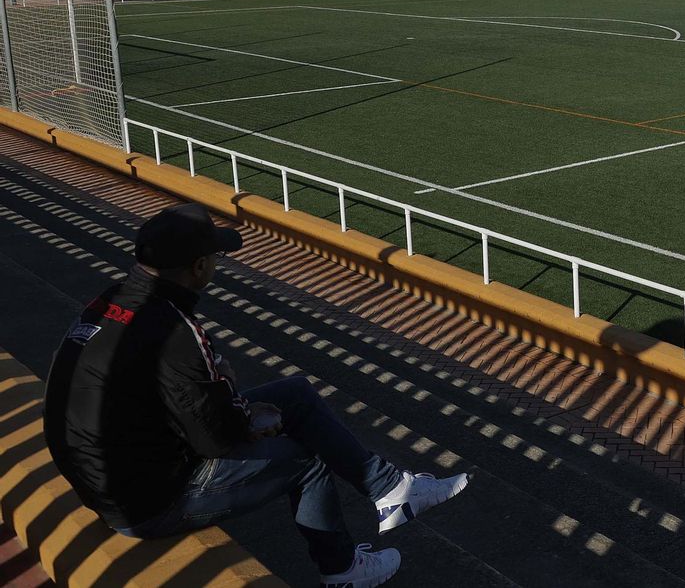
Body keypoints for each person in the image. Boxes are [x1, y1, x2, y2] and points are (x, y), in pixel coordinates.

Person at [44, 204, 469, 588]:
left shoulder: (110, 300)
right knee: (305, 461)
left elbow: (165, 401)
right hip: (145, 502)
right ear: (198, 267)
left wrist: (237, 405)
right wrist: (245, 416)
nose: (217, 264)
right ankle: (342, 571)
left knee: (295, 394)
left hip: (106, 476)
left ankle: (391, 489)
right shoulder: (176, 331)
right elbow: (213, 440)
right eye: (215, 257)